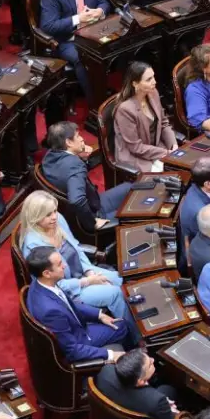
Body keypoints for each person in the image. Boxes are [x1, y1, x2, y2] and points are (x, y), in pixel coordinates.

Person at [19, 190, 128, 319]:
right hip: (69, 291)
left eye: (54, 210)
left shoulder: (57, 220)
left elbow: (76, 247)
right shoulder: (33, 248)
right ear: (35, 217)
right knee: (115, 293)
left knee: (120, 278)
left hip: (83, 272)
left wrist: (89, 271)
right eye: (48, 214)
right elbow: (54, 286)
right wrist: (87, 281)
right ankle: (134, 335)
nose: (54, 216)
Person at [25, 246, 130, 363]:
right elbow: (72, 350)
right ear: (47, 273)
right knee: (122, 327)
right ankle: (129, 361)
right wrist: (110, 354)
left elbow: (67, 305)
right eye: (60, 264)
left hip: (75, 326)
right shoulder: (50, 311)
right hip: (80, 339)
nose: (64, 266)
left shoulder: (41, 282)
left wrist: (99, 315)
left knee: (116, 322)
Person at [39, 0, 111, 102]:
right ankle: (96, 103)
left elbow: (103, 2)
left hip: (94, 32)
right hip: (69, 40)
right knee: (85, 59)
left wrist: (100, 11)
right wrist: (78, 18)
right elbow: (48, 26)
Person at [41, 121, 133, 233]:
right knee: (137, 209)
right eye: (77, 136)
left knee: (131, 188)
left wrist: (82, 158)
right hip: (94, 213)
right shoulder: (75, 165)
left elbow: (70, 174)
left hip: (89, 204)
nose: (82, 139)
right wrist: (93, 222)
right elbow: (76, 200)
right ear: (69, 142)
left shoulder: (49, 156)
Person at [93, 348, 180, 419]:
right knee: (170, 390)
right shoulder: (156, 401)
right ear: (140, 381)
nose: (153, 359)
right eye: (150, 364)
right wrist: (173, 412)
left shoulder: (105, 372)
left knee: (167, 389)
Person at [114, 62, 178, 174]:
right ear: (135, 83)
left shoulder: (153, 93)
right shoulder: (125, 110)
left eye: (153, 77)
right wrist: (165, 153)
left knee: (179, 169)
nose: (154, 82)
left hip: (156, 148)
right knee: (165, 179)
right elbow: (135, 147)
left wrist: (173, 145)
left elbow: (164, 123)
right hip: (135, 156)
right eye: (148, 79)